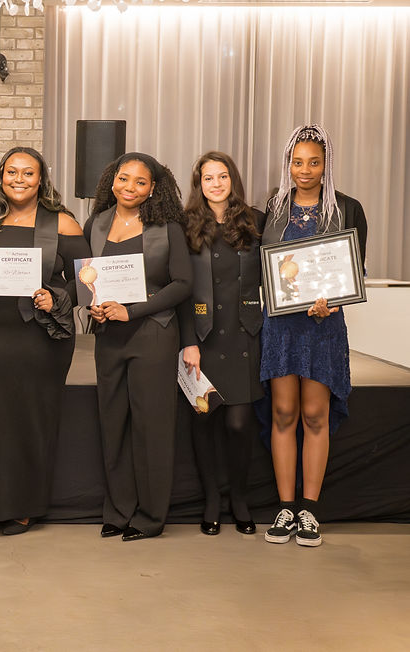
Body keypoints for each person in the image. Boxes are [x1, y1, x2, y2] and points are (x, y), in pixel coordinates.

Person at [0, 147, 86, 535]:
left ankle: (26, 506)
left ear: (40, 179)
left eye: (29, 173)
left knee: (31, 420)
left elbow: (87, 278)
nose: (20, 180)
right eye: (13, 172)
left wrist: (56, 296)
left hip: (40, 339)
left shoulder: (62, 223)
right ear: (1, 175)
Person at [260, 125, 367, 547]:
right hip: (281, 325)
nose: (305, 170)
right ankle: (285, 508)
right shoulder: (273, 207)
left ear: (327, 165)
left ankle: (309, 510)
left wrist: (335, 301)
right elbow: (261, 266)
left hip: (323, 327)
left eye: (314, 162)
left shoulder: (347, 208)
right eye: (297, 162)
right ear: (288, 164)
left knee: (315, 415)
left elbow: (356, 269)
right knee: (283, 413)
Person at [85, 152, 191, 541]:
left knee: (152, 427)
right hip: (108, 336)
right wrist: (94, 307)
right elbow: (88, 277)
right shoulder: (95, 223)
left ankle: (149, 516)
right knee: (113, 424)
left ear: (152, 189)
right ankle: (118, 511)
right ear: (111, 180)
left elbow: (182, 284)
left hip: (154, 334)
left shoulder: (167, 227)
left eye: (140, 182)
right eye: (123, 178)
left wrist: (134, 312)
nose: (130, 187)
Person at [179, 152, 265, 536]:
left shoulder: (255, 220)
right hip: (202, 338)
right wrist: (187, 342)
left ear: (233, 180)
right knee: (205, 420)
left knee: (238, 423)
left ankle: (239, 498)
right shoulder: (184, 225)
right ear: (199, 183)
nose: (216, 183)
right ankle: (212, 499)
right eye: (208, 178)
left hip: (246, 332)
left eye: (222, 176)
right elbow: (180, 290)